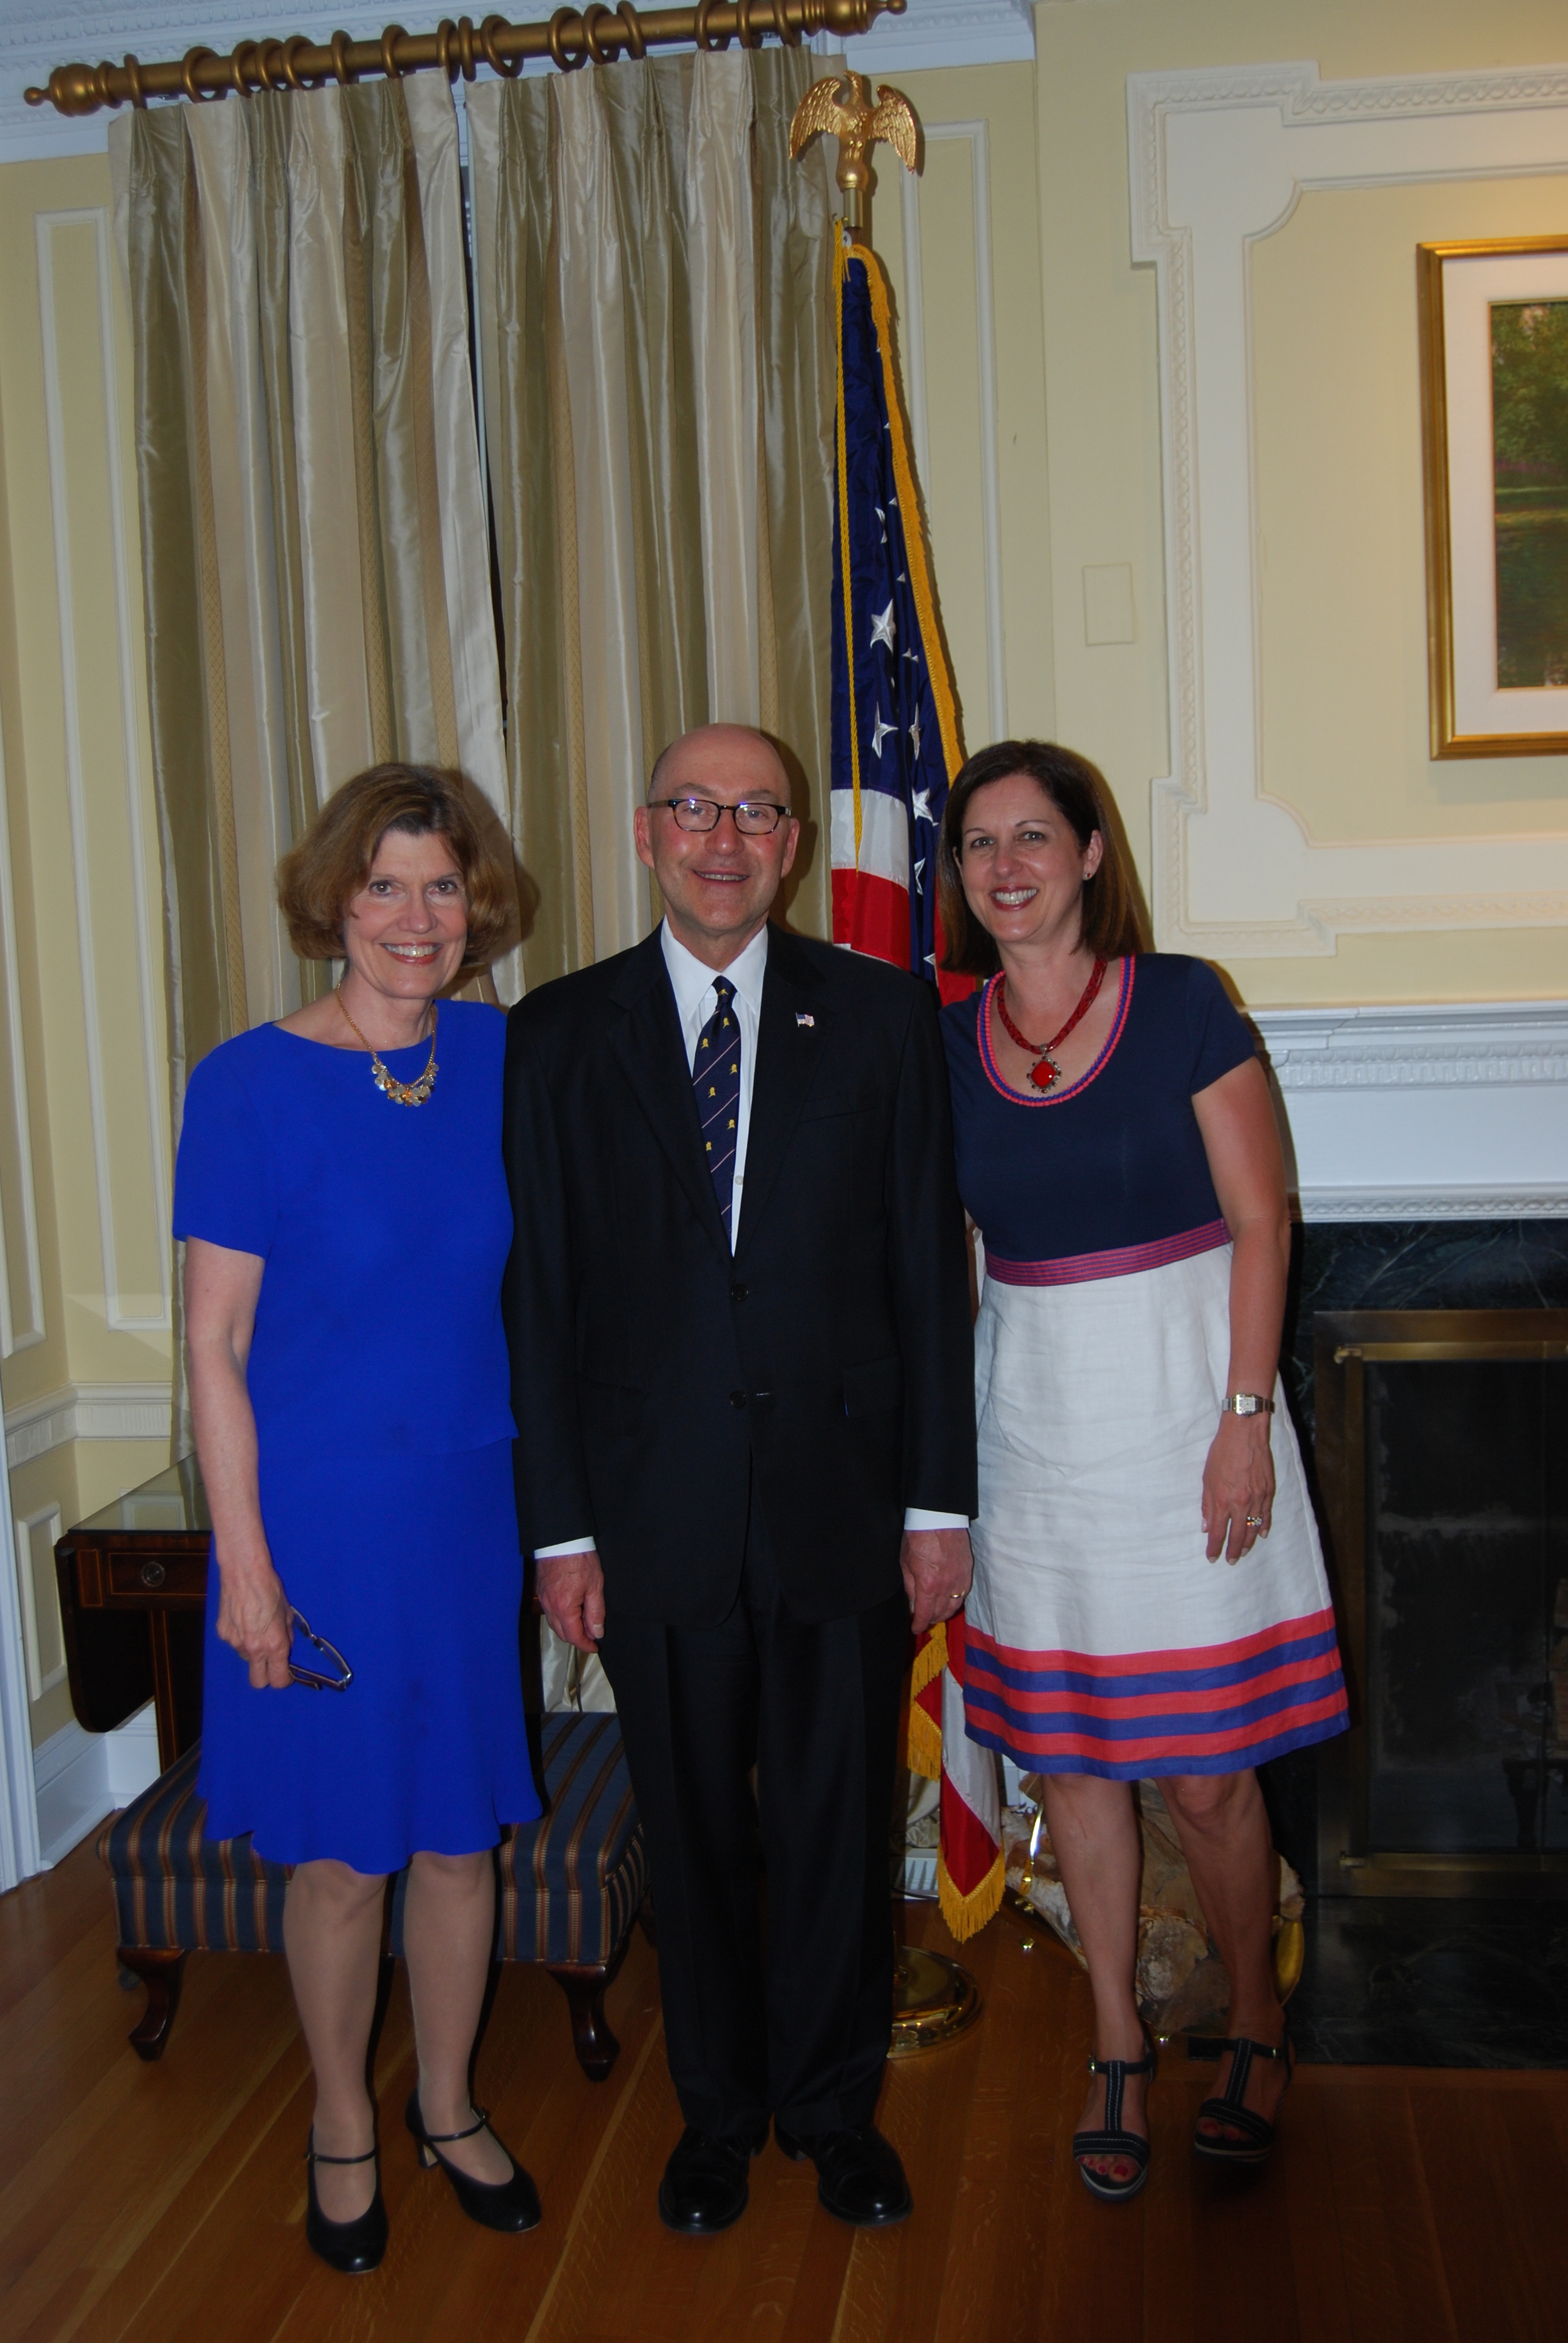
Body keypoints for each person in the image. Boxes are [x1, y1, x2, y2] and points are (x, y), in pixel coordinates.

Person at [502, 723, 977, 2236]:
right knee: (690, 1826)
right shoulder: (556, 1034)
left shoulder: (883, 1014)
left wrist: (935, 1503)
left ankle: (835, 2110)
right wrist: (561, 1528)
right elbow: (543, 1297)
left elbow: (923, 1271)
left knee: (839, 1826)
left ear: (791, 844)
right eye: (693, 809)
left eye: (756, 811)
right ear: (646, 833)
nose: (723, 837)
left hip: (843, 1506)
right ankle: (714, 2110)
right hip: (649, 1514)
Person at [936, 740, 1348, 2200]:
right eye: (978, 843)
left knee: (1206, 1776)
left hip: (1186, 1417)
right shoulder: (942, 1039)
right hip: (1035, 1434)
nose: (1003, 867)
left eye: (1032, 836)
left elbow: (1262, 1216)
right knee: (1071, 1764)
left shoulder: (1179, 1004)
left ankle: (1252, 2013)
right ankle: (1115, 2029)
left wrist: (1245, 1415)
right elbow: (954, 1268)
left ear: (1092, 853)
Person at [176, 765, 543, 2274]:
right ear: (335, 899)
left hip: (468, 1508)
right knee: (340, 1856)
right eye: (385, 884)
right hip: (316, 1519)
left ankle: (447, 2103)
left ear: (478, 908)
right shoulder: (248, 1083)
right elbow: (212, 1344)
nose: (415, 915)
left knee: (459, 1838)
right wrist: (244, 1569)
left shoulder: (506, 1058)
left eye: (442, 886)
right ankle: (342, 2115)